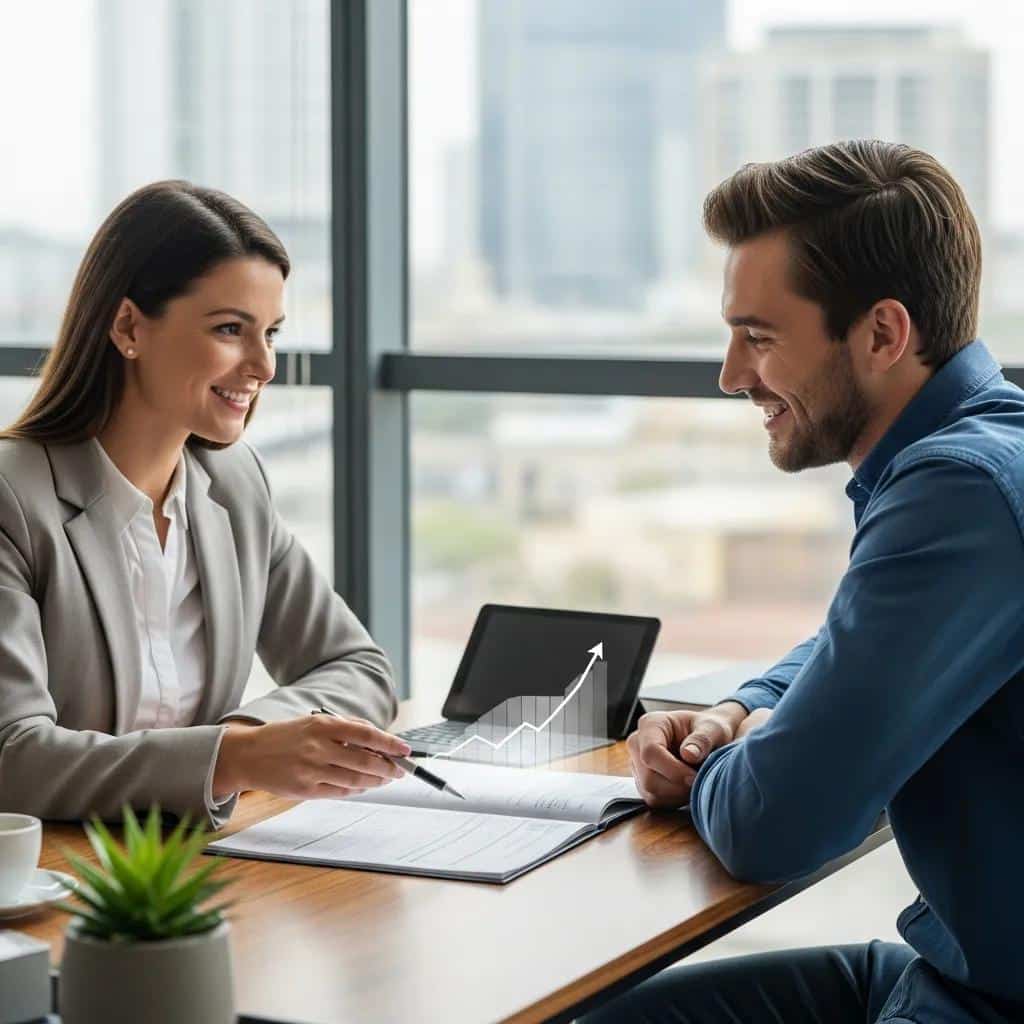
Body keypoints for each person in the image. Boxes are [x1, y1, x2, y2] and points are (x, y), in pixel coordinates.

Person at [592, 141, 1024, 1022]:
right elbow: (853, 644)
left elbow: (774, 825)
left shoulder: (960, 491)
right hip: (947, 970)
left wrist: (707, 765)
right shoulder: (992, 450)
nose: (730, 375)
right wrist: (742, 708)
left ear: (882, 333)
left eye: (759, 338)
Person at [0, 180, 411, 829]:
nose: (264, 364)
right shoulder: (14, 498)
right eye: (230, 329)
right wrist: (232, 757)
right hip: (54, 881)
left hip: (198, 862)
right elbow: (12, 758)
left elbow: (358, 667)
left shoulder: (233, 483)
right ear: (129, 326)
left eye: (270, 332)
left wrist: (253, 738)